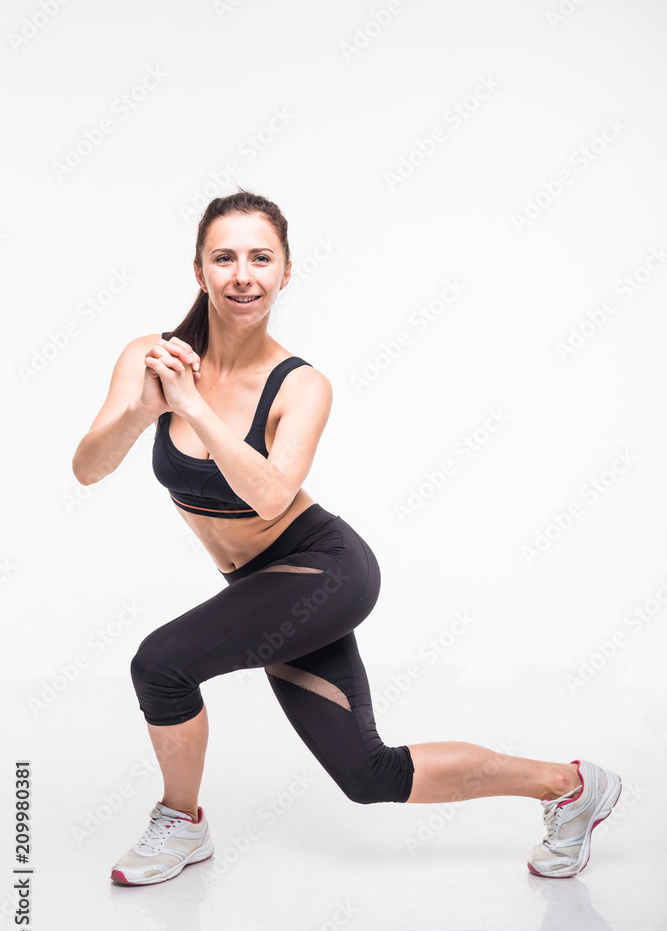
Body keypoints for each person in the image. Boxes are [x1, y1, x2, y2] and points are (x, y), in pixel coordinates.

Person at [71, 189, 621, 887]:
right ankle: (571, 785)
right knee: (367, 773)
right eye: (225, 257)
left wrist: (192, 408)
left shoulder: (302, 385)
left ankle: (181, 823)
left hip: (324, 570)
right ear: (199, 270)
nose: (243, 273)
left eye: (260, 257)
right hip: (261, 588)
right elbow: (89, 468)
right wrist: (143, 410)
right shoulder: (148, 357)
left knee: (161, 664)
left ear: (286, 272)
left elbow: (269, 495)